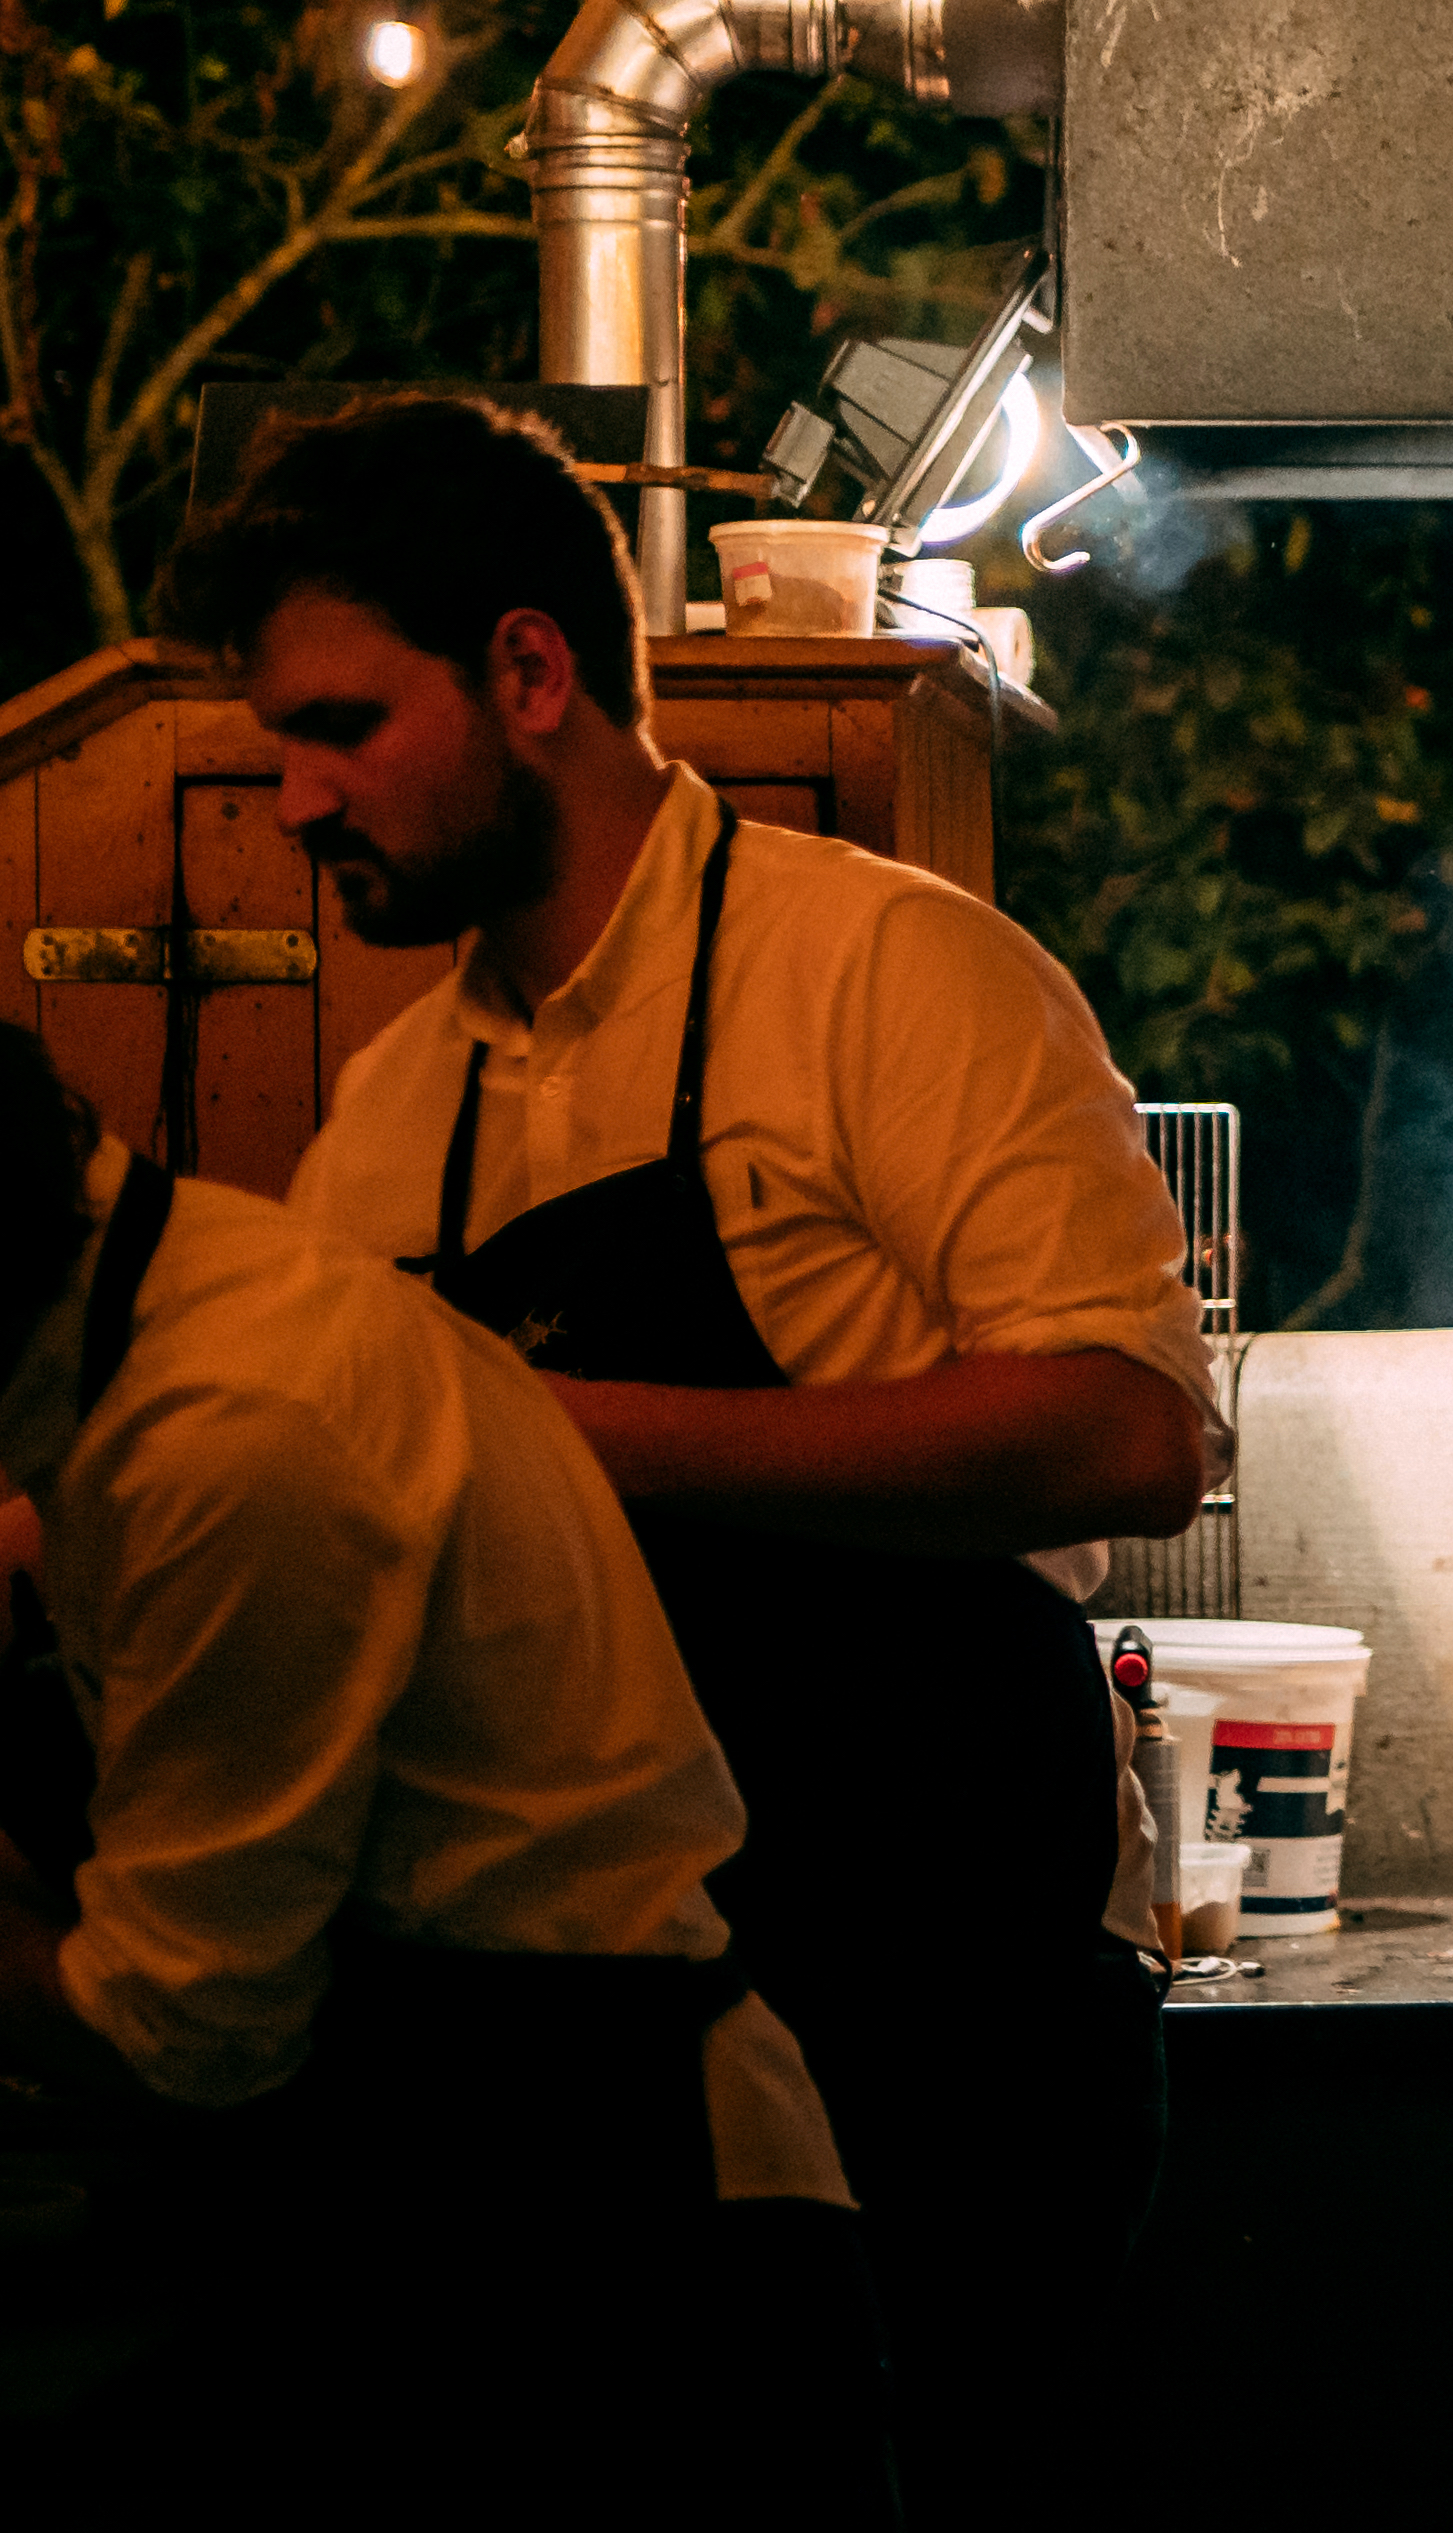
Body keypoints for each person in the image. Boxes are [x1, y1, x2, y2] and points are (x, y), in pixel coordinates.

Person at [159, 400, 1218, 2522]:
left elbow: (1129, 1425)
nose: (291, 796)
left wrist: (568, 1430)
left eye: (345, 724)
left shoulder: (891, 979)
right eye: (280, 739)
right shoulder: (391, 1107)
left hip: (938, 2019)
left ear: (532, 672)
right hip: (596, 2080)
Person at [0, 1024, 888, 2522]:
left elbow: (184, 2027)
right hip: (451, 2185)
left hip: (600, 2234)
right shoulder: (161, 1289)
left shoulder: (239, 1426)